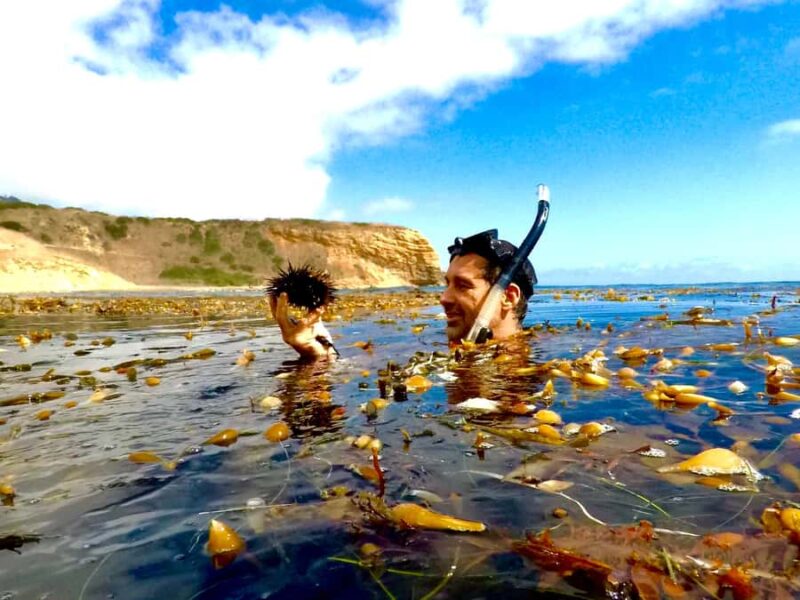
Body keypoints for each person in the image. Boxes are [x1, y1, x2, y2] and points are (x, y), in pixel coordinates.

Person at [270, 228, 536, 359]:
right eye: (446, 284)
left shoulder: (539, 364)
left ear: (508, 297)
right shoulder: (425, 349)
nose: (443, 298)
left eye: (463, 285)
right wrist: (313, 351)